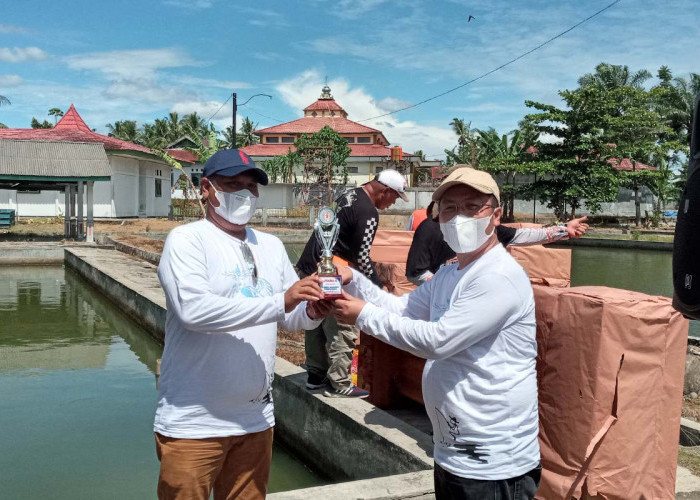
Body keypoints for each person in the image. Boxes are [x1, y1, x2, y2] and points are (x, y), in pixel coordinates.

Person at [332, 166, 541, 499]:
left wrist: (362, 315)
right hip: (452, 451)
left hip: (492, 460)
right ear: (438, 217)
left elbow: (438, 341)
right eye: (450, 209)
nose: (459, 218)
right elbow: (403, 310)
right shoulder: (451, 273)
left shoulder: (496, 276)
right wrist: (354, 281)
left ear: (495, 216)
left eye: (472, 207)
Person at [154, 149, 331, 500]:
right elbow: (194, 312)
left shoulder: (271, 244)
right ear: (206, 188)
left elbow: (291, 319)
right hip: (194, 423)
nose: (244, 194)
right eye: (232, 184)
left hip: (256, 420)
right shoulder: (187, 240)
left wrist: (313, 310)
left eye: (250, 187)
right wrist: (282, 301)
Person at [296, 169, 408, 397]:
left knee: (316, 317)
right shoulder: (368, 212)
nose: (393, 202)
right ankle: (340, 383)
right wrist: (377, 287)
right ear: (385, 191)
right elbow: (362, 257)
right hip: (335, 273)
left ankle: (315, 375)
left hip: (311, 265)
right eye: (395, 197)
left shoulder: (350, 195)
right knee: (343, 325)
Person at [406, 202, 589, 285]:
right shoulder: (429, 228)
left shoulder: (485, 227)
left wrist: (564, 229)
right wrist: (445, 289)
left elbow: (523, 235)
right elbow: (416, 273)